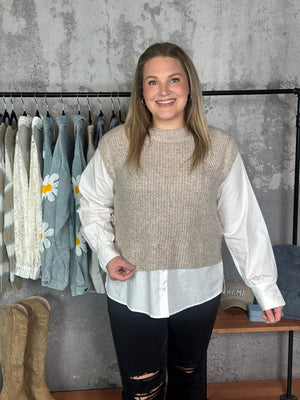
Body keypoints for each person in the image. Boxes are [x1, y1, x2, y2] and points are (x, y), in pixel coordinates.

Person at [78, 42, 285, 400]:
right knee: (141, 390)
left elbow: (242, 222)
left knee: (189, 382)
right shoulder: (115, 146)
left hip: (197, 290)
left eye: (173, 79)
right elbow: (92, 204)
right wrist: (107, 253)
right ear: (141, 92)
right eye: (152, 82)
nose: (164, 91)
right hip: (133, 292)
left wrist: (264, 288)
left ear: (189, 86)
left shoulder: (218, 148)